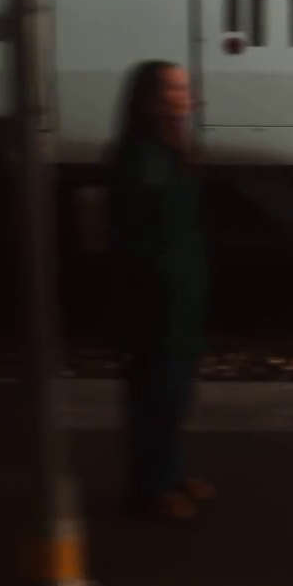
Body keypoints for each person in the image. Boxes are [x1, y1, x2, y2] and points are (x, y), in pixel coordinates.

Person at [105, 60, 213, 520]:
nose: (185, 95)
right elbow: (134, 235)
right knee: (155, 395)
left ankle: (171, 473)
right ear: (151, 99)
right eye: (173, 88)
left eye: (184, 87)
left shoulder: (170, 150)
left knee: (175, 392)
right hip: (156, 302)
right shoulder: (145, 157)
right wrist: (162, 283)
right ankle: (150, 489)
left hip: (179, 298)